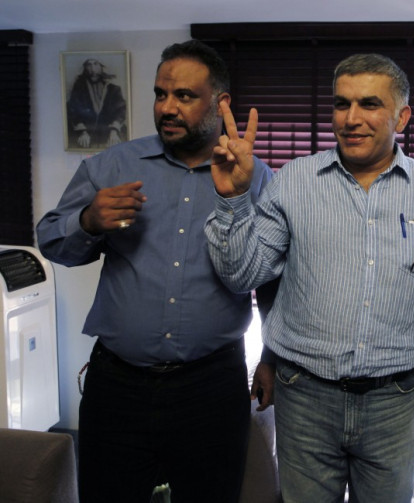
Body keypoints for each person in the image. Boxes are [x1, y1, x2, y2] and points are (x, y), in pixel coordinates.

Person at [37, 40, 278, 503]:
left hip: (211, 387)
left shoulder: (257, 179)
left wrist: (270, 357)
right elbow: (52, 241)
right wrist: (87, 221)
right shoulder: (111, 166)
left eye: (184, 96)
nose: (167, 107)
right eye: (159, 94)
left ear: (220, 103)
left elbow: (270, 280)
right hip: (117, 387)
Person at [205, 53, 414, 502]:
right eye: (342, 104)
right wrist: (234, 199)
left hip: (395, 399)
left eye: (370, 104)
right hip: (306, 396)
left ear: (403, 116)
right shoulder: (295, 181)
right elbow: (243, 275)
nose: (351, 119)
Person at [66, 58, 127, 149]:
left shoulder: (113, 88)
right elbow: (73, 110)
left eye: (95, 64)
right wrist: (82, 131)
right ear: (85, 68)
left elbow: (121, 111)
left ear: (102, 66)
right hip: (86, 131)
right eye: (89, 65)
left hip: (109, 130)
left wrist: (114, 131)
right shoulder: (79, 88)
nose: (92, 68)